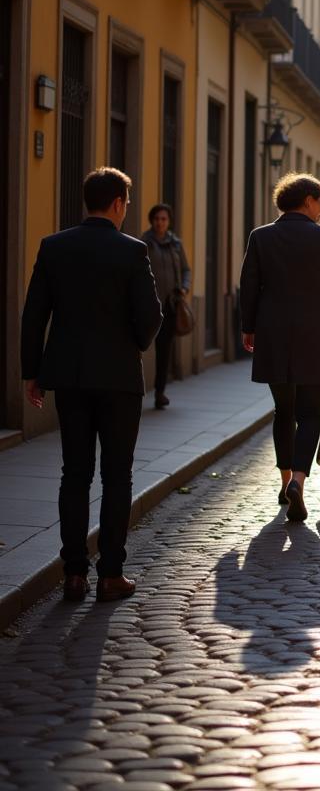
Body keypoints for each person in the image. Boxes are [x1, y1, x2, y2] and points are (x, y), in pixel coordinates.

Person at [21, 167, 163, 603]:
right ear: (119, 204)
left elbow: (34, 316)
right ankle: (111, 574)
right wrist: (135, 344)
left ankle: (74, 574)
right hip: (119, 379)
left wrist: (33, 373)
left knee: (74, 474)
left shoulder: (54, 247)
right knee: (117, 475)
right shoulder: (133, 251)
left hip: (71, 377)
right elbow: (151, 316)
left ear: (87, 201)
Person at [239, 173, 320, 523]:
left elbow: (248, 285)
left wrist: (249, 328)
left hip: (273, 335)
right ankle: (299, 483)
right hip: (316, 337)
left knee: (283, 412)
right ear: (308, 200)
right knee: (309, 414)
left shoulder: (261, 236)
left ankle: (285, 479)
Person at [142, 204, 191, 410]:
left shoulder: (176, 244)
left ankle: (160, 392)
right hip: (147, 306)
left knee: (164, 351)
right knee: (140, 347)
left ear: (168, 221)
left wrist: (184, 288)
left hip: (170, 306)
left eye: (164, 219)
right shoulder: (143, 243)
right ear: (151, 221)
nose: (160, 222)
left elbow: (186, 270)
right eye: (157, 219)